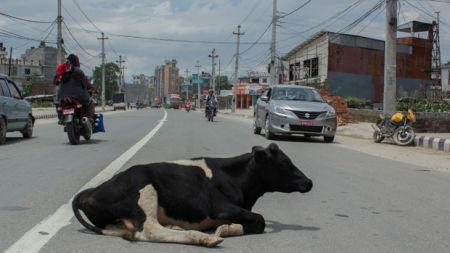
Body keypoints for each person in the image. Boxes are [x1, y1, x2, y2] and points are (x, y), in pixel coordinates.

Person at [58, 54, 99, 121]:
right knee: (89, 101)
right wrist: (95, 90)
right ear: (76, 62)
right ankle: (89, 118)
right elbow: (86, 84)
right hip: (78, 95)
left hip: (62, 96)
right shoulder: (78, 71)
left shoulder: (61, 70)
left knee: (59, 105)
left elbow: (56, 81)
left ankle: (61, 119)